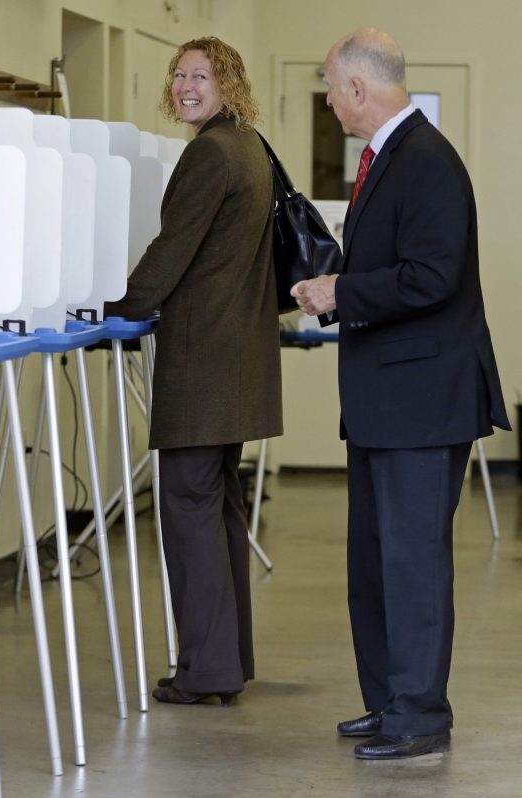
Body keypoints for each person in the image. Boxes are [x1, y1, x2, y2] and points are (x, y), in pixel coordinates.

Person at [292, 28, 511, 759]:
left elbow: (431, 277)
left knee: (412, 565)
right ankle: (389, 702)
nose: (327, 100)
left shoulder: (426, 162)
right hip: (389, 401)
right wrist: (335, 291)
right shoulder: (392, 158)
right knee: (374, 562)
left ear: (359, 88)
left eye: (330, 85)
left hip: (420, 402)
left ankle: (419, 714)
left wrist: (340, 289)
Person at [103, 36, 282, 706]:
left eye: (199, 76)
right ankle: (228, 661)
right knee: (220, 510)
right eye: (178, 75)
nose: (184, 86)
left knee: (189, 511)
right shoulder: (249, 146)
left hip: (203, 364)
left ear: (228, 82)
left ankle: (206, 670)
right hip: (235, 362)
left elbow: (173, 247)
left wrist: (119, 307)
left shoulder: (210, 152)